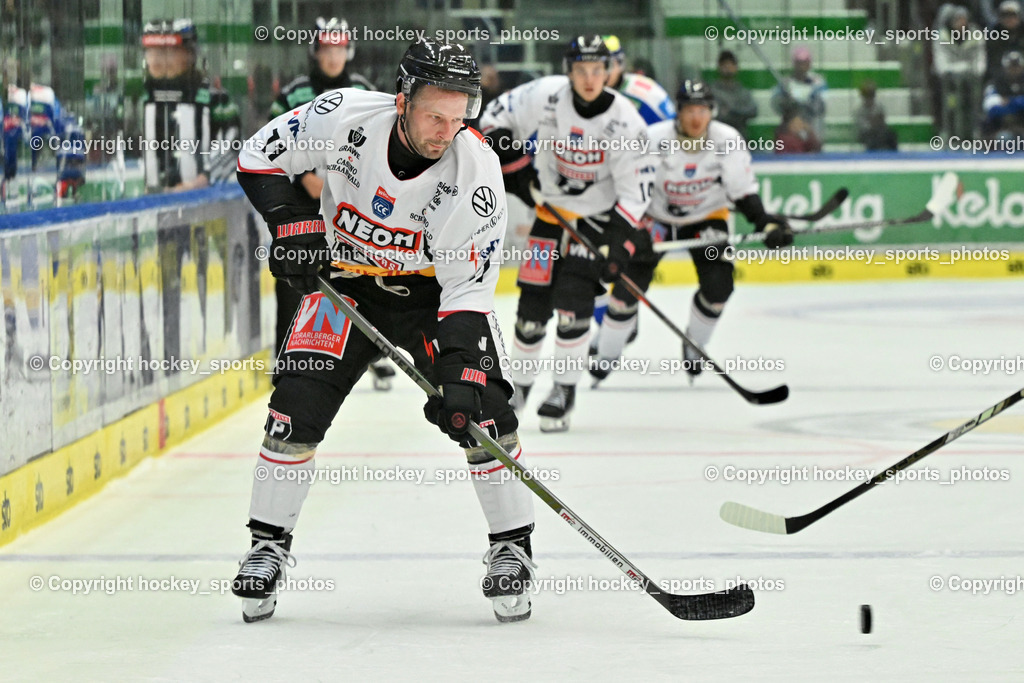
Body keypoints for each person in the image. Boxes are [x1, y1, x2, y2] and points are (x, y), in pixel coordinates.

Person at [231, 39, 537, 624]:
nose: (446, 130)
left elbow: (467, 292)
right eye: (433, 114)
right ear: (402, 100)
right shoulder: (342, 117)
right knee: (294, 409)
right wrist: (292, 223)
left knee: (486, 414)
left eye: (458, 116)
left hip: (433, 296)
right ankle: (267, 546)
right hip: (343, 286)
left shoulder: (475, 173)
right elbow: (257, 155)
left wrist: (460, 377)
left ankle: (512, 549)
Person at [479, 35, 654, 432]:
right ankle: (519, 388)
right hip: (548, 217)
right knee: (530, 313)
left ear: (609, 71)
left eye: (598, 70)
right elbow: (491, 119)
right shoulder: (545, 95)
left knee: (574, 308)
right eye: (581, 70)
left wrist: (617, 242)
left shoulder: (626, 120)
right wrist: (516, 168)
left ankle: (563, 390)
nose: (590, 78)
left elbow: (636, 189)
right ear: (568, 71)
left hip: (594, 222)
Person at [589, 80, 793, 383]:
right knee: (626, 288)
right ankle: (605, 354)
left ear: (711, 111)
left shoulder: (727, 141)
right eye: (689, 110)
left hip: (705, 217)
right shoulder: (651, 140)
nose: (697, 118)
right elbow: (628, 189)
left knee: (719, 288)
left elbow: (743, 193)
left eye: (703, 110)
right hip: (654, 218)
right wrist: (631, 230)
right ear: (678, 113)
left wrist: (766, 224)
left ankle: (695, 345)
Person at [267, 16, 393, 389]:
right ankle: (286, 357)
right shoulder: (292, 94)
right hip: (303, 203)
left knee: (365, 275)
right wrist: (301, 175)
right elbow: (270, 144)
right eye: (327, 48)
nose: (333, 56)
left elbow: (381, 145)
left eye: (339, 48)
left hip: (351, 204)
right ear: (316, 52)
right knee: (295, 279)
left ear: (348, 51)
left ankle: (377, 354)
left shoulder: (365, 91)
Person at [140, 18, 239, 193]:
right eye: (153, 52)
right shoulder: (146, 98)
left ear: (190, 54)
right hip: (153, 200)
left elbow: (232, 145)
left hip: (204, 200)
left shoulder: (215, 97)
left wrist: (202, 180)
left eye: (171, 51)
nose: (160, 60)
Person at [933, 5, 987, 141]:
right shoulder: (942, 36)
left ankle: (973, 132)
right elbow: (940, 58)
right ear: (951, 22)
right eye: (957, 20)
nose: (961, 23)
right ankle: (950, 132)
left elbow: (980, 57)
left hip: (971, 76)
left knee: (972, 102)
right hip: (950, 78)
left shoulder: (976, 35)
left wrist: (978, 71)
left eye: (963, 20)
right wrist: (946, 71)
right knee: (951, 103)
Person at [603, 35, 676, 124]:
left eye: (608, 65)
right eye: (594, 68)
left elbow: (672, 124)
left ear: (620, 64)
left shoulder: (644, 92)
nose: (602, 72)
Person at [770, 46, 827, 142]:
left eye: (805, 63)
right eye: (799, 63)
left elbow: (821, 107)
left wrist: (804, 103)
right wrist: (788, 104)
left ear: (809, 64)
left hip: (812, 129)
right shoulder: (785, 84)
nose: (802, 66)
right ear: (794, 64)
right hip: (790, 130)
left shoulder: (818, 83)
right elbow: (776, 105)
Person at [710, 50, 758, 139]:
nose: (728, 67)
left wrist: (732, 111)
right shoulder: (712, 91)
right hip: (717, 137)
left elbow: (753, 111)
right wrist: (738, 114)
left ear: (736, 67)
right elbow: (715, 114)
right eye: (724, 65)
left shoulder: (743, 92)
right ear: (719, 67)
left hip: (739, 135)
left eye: (731, 64)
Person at [982, 50, 1024, 137]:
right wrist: (1018, 104)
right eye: (1011, 67)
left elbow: (1006, 102)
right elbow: (990, 107)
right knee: (1003, 137)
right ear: (1005, 68)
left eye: (1017, 67)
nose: (1014, 70)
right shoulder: (995, 83)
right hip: (1002, 127)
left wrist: (1011, 102)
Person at [853, 80, 898, 150]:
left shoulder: (879, 106)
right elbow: (861, 126)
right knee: (871, 139)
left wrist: (877, 122)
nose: (869, 98)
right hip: (866, 134)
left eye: (871, 95)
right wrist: (872, 123)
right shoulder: (858, 109)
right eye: (867, 95)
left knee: (891, 135)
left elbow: (883, 122)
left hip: (879, 131)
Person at [985, 1, 1024, 81]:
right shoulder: (993, 34)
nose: (1009, 19)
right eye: (1005, 16)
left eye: (1013, 15)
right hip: (999, 78)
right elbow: (991, 61)